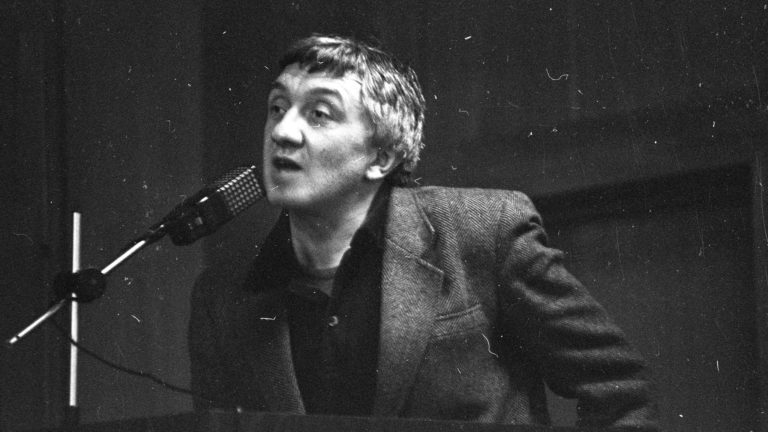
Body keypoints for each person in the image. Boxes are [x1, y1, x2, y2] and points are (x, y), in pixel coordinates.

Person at [188, 34, 658, 429]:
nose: (282, 132)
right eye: (277, 107)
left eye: (319, 114)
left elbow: (620, 388)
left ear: (381, 157)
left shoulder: (484, 231)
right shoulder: (222, 298)